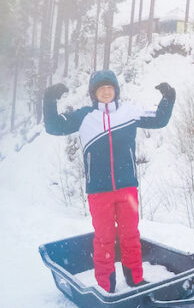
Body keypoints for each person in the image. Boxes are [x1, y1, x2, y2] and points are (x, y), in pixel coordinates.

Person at [44, 71, 175, 293]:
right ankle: (105, 287)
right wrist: (50, 99)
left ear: (116, 91)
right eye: (101, 88)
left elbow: (159, 120)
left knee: (130, 236)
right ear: (94, 93)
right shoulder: (85, 117)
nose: (106, 91)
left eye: (110, 87)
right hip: (99, 191)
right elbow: (54, 126)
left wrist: (168, 98)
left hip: (127, 188)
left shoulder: (129, 112)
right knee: (104, 239)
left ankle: (135, 278)